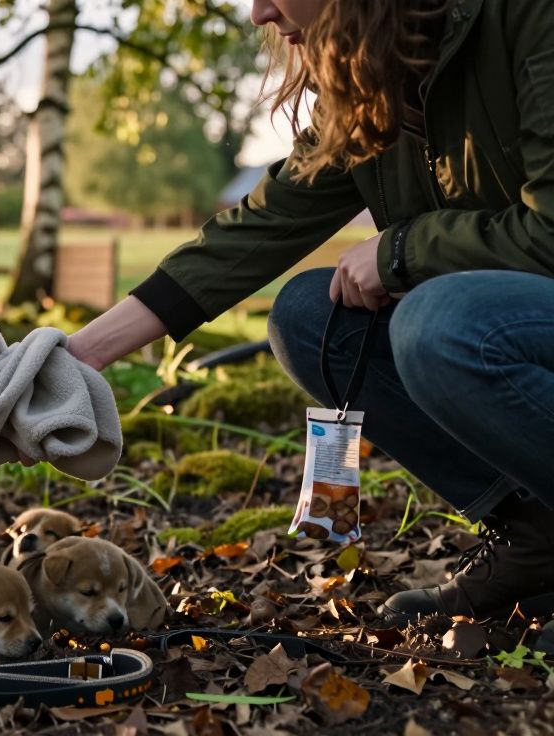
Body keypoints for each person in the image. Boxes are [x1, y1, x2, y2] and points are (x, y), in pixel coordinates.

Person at [64, 0, 554, 626]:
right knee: (308, 318)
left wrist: (403, 249)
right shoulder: (372, 80)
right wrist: (77, 357)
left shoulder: (524, 17)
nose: (258, 12)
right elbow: (262, 225)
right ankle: (533, 535)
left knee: (436, 322)